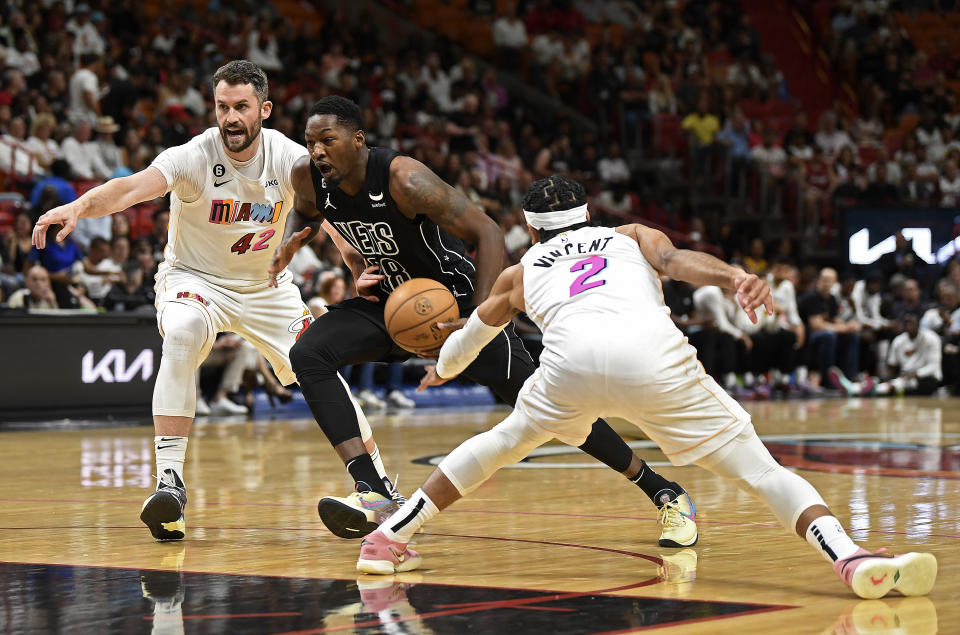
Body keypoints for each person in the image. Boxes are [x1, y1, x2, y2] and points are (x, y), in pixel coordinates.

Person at [356, 175, 939, 602]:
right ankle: (847, 555)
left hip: (569, 370)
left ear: (530, 229)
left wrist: (442, 362)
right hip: (654, 360)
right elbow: (681, 260)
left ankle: (387, 539)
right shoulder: (630, 235)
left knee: (502, 441)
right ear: (589, 214)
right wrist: (736, 276)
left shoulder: (521, 271)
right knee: (762, 473)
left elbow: (466, 346)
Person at [271, 96, 698, 547]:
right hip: (390, 306)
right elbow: (307, 210)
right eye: (310, 142)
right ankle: (373, 491)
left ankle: (663, 491)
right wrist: (298, 242)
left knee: (555, 409)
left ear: (358, 140)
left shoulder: (404, 178)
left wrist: (475, 321)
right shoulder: (309, 177)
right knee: (309, 353)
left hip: (454, 309)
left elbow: (489, 231)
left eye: (326, 141)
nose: (316, 151)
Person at [30, 60, 375, 543]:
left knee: (316, 364)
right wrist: (78, 207)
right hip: (195, 280)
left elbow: (332, 213)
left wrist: (356, 265)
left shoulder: (288, 157)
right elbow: (129, 189)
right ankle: (169, 485)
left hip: (266, 288)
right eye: (222, 107)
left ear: (265, 109)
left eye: (241, 107)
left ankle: (377, 490)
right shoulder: (194, 155)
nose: (230, 118)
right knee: (184, 332)